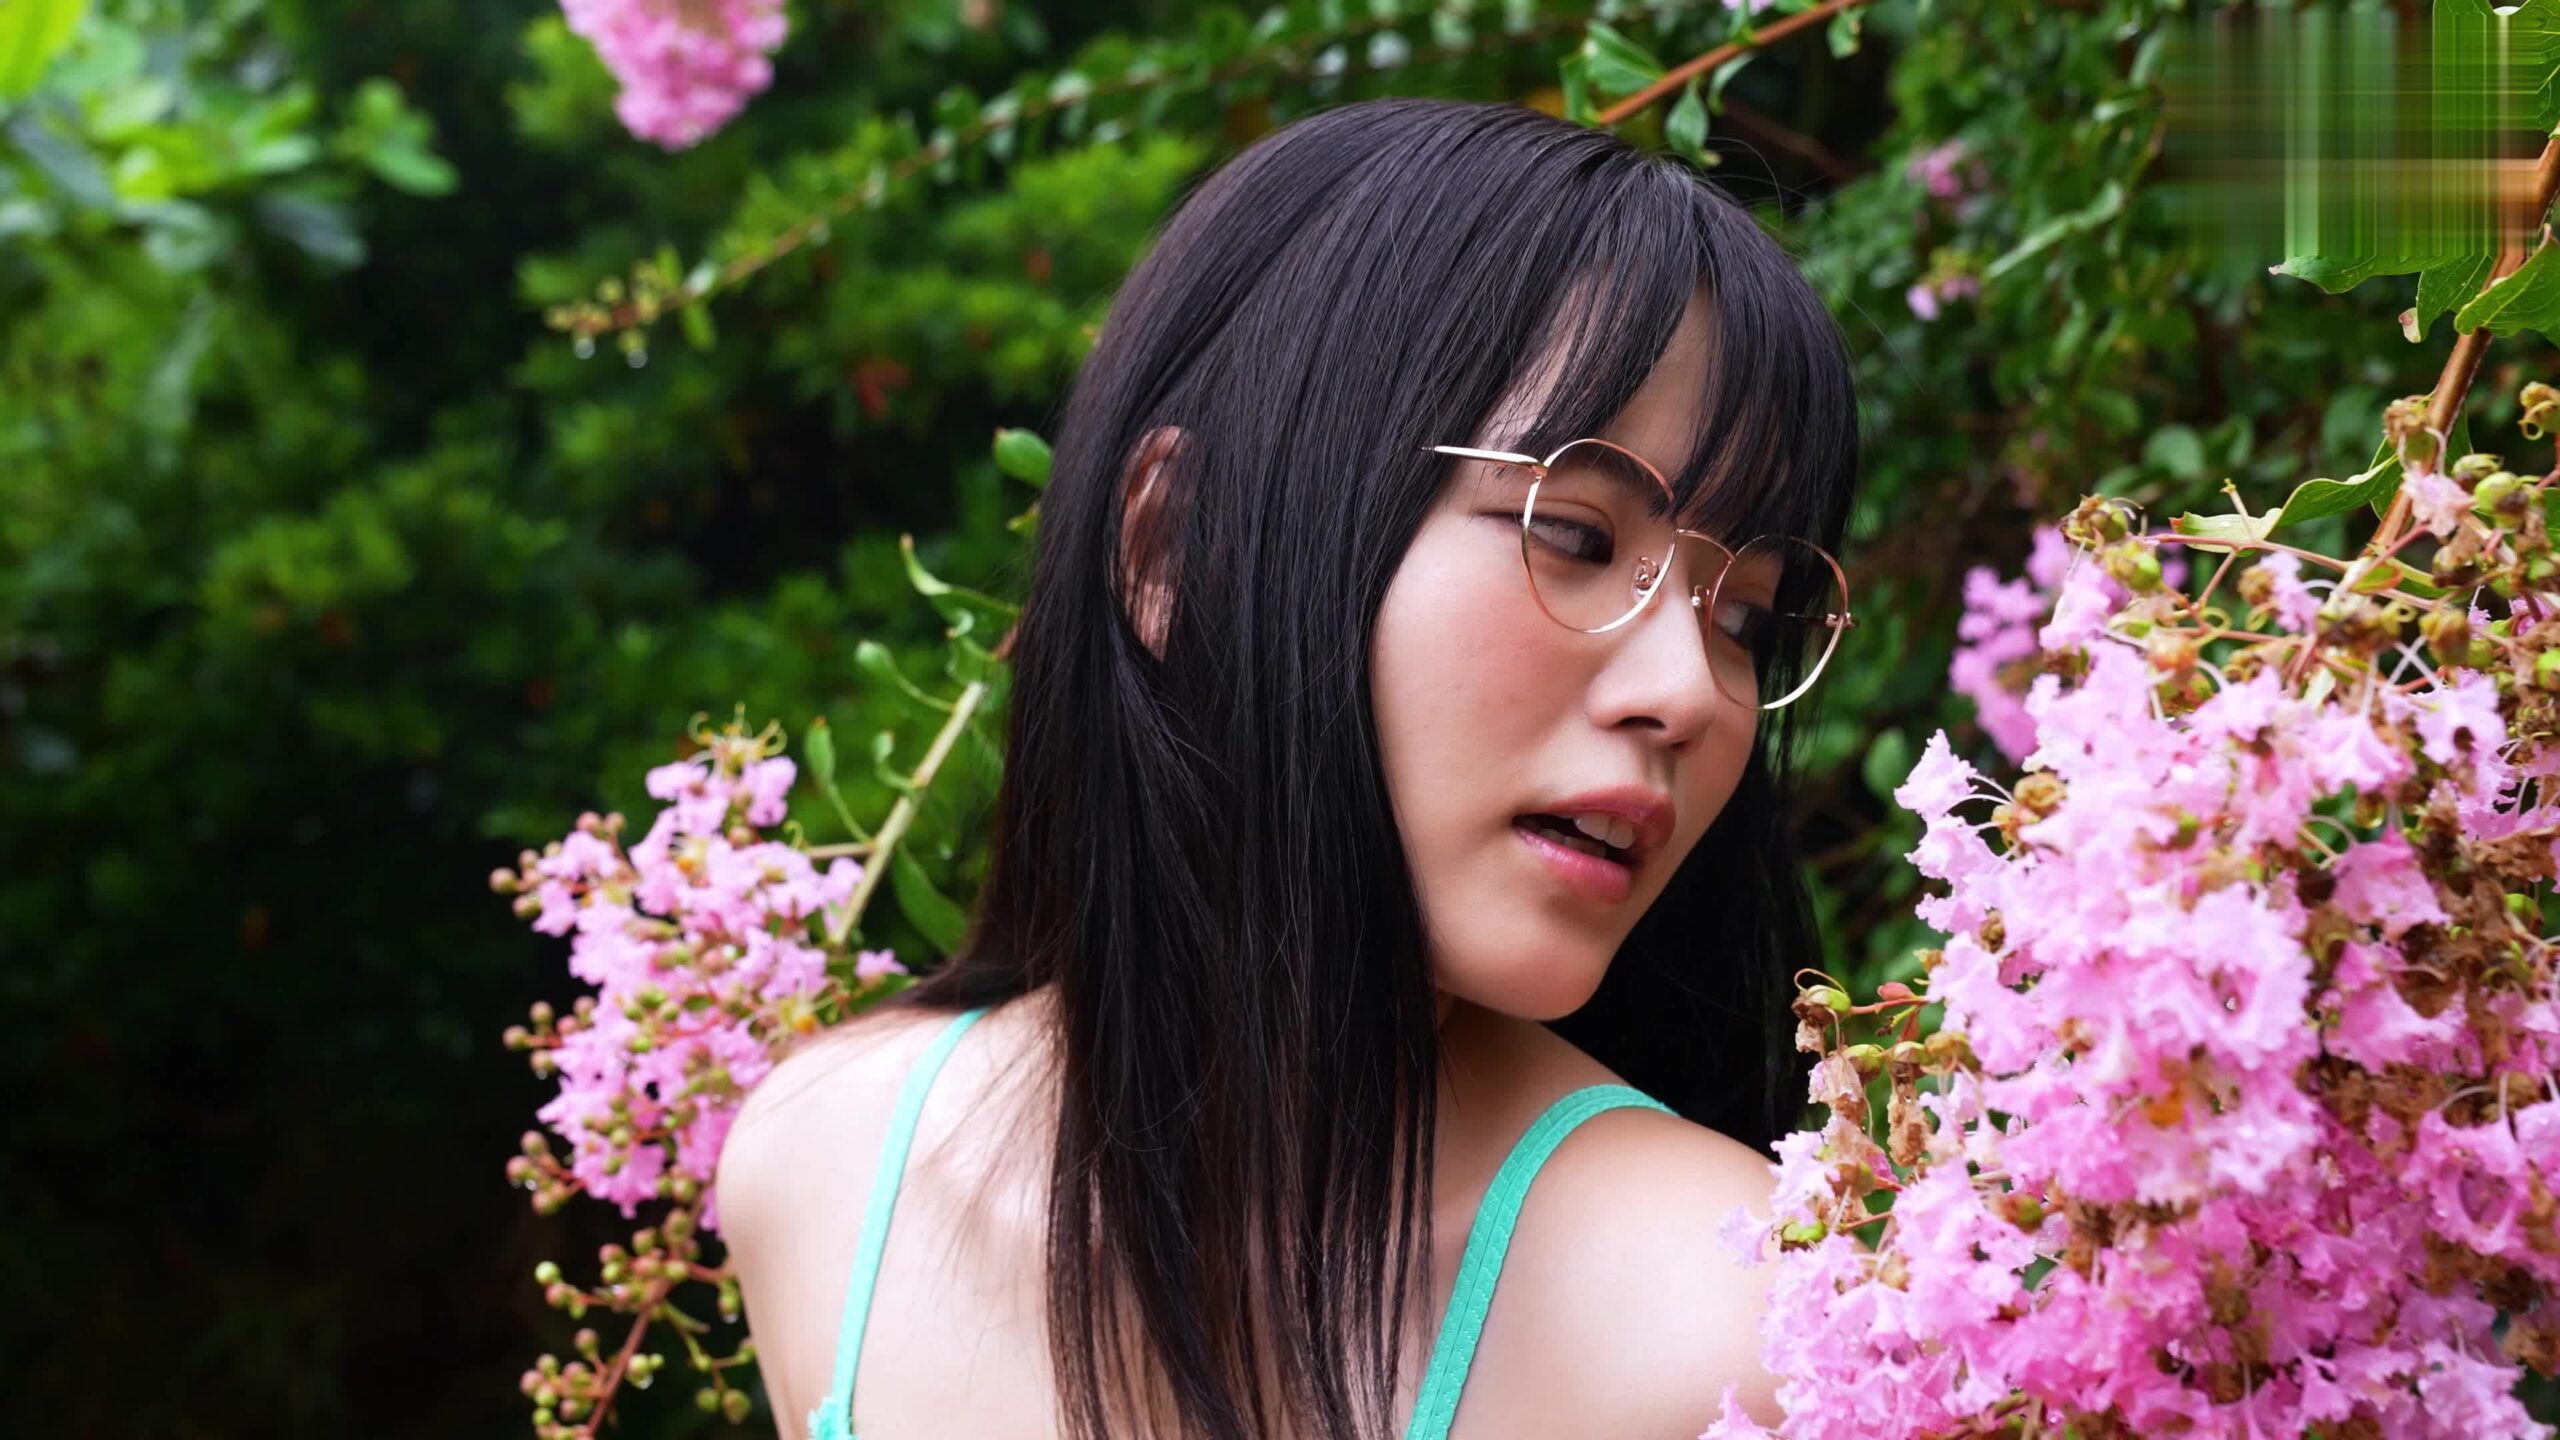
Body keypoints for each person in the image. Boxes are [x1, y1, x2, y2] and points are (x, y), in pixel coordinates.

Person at [717, 95, 1861, 1440]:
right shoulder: (821, 1166)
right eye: (1573, 534)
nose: (1689, 692)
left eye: (1747, 618)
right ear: (1172, 547)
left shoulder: (1733, 1319)